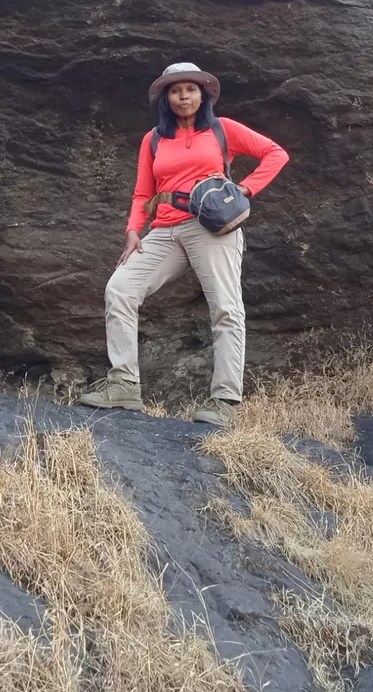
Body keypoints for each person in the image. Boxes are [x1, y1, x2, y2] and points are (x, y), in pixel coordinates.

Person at [80, 62, 289, 425]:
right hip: (165, 229)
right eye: (175, 91)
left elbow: (276, 154)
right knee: (120, 289)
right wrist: (133, 230)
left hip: (211, 227)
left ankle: (224, 401)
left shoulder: (223, 129)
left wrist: (244, 189)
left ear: (202, 93)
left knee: (225, 308)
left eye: (190, 89)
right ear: (166, 98)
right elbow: (143, 192)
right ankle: (124, 384)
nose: (183, 96)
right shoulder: (154, 139)